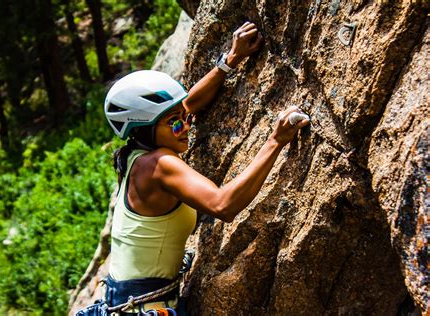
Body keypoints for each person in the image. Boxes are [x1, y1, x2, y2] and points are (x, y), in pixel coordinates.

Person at [102, 22, 309, 316]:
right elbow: (223, 205)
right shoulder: (159, 165)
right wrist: (276, 140)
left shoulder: (134, 155)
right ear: (145, 129)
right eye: (175, 122)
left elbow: (189, 104)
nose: (186, 125)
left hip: (128, 301)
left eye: (183, 118)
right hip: (144, 308)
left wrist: (231, 60)